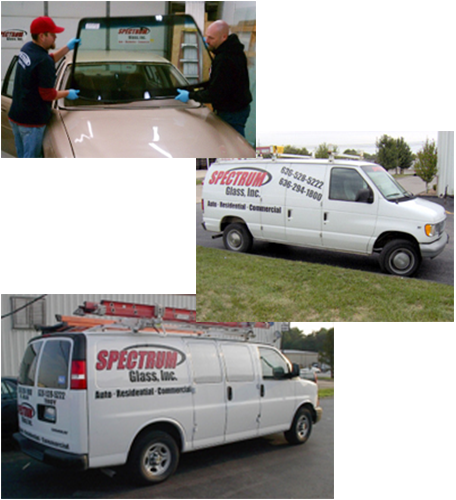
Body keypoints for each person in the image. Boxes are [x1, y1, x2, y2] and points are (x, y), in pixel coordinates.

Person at [8, 16, 80, 158]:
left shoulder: (28, 48)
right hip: (31, 124)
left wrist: (67, 48)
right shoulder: (43, 60)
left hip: (16, 116)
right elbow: (47, 95)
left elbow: (47, 61)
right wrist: (67, 93)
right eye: (52, 34)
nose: (55, 37)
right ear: (42, 36)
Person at [175, 20, 252, 138]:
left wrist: (190, 96)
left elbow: (215, 93)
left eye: (211, 38)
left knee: (234, 145)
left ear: (224, 37)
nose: (207, 41)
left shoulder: (225, 59)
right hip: (236, 108)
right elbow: (219, 81)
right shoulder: (231, 51)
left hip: (232, 112)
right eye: (206, 36)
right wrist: (194, 88)